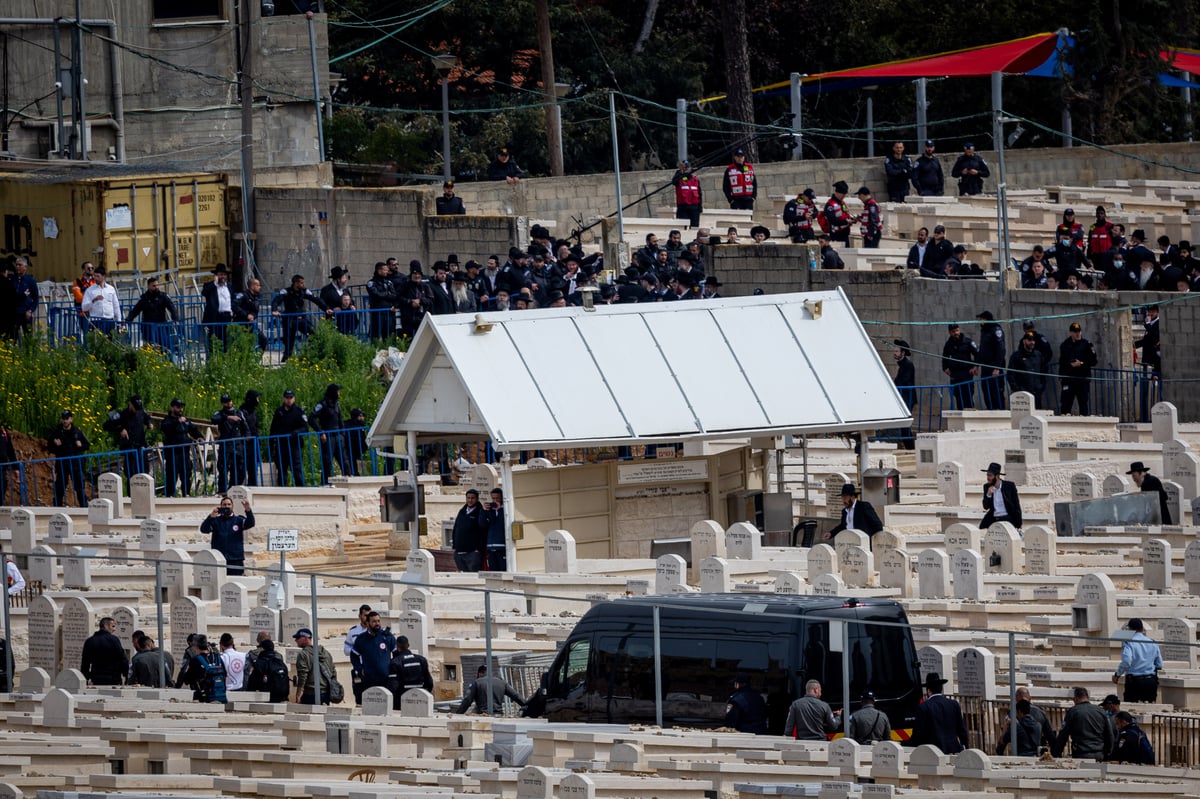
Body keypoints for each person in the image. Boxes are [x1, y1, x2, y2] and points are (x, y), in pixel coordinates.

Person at [271, 274, 332, 361]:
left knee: (313, 333)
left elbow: (316, 299)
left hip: (300, 319)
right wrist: (274, 310)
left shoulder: (304, 291)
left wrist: (326, 308)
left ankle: (310, 354)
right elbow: (276, 300)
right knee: (289, 341)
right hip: (289, 320)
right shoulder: (286, 291)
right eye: (301, 283)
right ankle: (286, 360)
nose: (303, 285)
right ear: (295, 283)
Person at [911, 672, 968, 754]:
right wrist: (964, 747)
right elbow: (962, 730)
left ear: (928, 690)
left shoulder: (923, 707)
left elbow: (918, 733)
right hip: (953, 750)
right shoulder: (954, 704)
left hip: (933, 753)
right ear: (941, 688)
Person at [1052, 686, 1113, 761]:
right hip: (1099, 754)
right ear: (1087, 697)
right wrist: (1108, 753)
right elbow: (1109, 734)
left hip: (1081, 754)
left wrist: (1056, 754)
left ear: (1075, 699)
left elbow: (1063, 735)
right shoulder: (1101, 711)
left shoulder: (1073, 712)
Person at [200, 495, 255, 576]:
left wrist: (248, 510)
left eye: (229, 504)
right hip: (219, 559)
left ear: (232, 506)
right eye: (224, 505)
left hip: (235, 559)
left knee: (235, 583)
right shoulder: (215, 521)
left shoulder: (238, 520)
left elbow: (251, 523)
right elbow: (203, 530)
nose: (227, 506)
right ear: (221, 506)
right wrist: (210, 517)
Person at [160, 398, 204, 497]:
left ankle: (186, 494)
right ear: (172, 408)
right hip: (173, 453)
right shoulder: (167, 421)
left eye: (181, 407)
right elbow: (165, 428)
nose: (180, 409)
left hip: (184, 452)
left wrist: (200, 437)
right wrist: (177, 422)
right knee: (172, 475)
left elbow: (194, 429)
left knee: (186, 474)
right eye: (178, 407)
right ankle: (170, 495)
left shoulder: (185, 420)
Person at [1113, 617, 1163, 703]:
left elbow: (1127, 661)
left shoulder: (1128, 642)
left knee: (1131, 709)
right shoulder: (1152, 642)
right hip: (1150, 681)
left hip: (1134, 681)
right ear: (1142, 628)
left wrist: (1117, 674)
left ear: (1130, 629)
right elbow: (1159, 664)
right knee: (1150, 709)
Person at [351, 610, 396, 701]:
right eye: (374, 621)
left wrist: (392, 669)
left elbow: (397, 654)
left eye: (378, 621)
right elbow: (354, 656)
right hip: (369, 679)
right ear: (367, 623)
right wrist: (360, 669)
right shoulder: (361, 639)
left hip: (386, 679)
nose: (377, 624)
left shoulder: (387, 636)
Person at [995, 686, 1055, 755]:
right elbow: (1051, 737)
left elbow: (1004, 739)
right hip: (1036, 755)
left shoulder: (1013, 714)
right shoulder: (1041, 714)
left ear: (1016, 699)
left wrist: (1000, 751)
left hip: (1020, 754)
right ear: (1030, 698)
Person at [104, 395, 153, 478]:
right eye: (135, 408)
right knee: (131, 474)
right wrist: (120, 430)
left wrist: (149, 424)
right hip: (130, 449)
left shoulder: (141, 411)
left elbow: (147, 418)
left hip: (141, 448)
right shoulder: (122, 414)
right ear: (130, 404)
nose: (136, 410)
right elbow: (106, 425)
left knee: (144, 473)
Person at [125, 277, 178, 352]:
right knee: (150, 347)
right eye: (154, 286)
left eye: (157, 285)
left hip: (161, 326)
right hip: (148, 327)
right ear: (148, 286)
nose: (156, 287)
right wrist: (128, 319)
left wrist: (175, 319)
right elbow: (135, 310)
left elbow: (172, 308)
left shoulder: (163, 296)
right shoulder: (144, 298)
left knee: (164, 346)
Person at [48, 410, 89, 507]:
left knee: (79, 487)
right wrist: (56, 445)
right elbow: (49, 447)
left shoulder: (77, 432)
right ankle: (57, 508)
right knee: (60, 487)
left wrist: (80, 445)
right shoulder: (57, 432)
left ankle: (84, 508)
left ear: (71, 419)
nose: (65, 421)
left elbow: (87, 445)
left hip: (76, 464)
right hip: (62, 463)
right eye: (63, 418)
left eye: (67, 418)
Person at [310, 383, 350, 484]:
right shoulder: (322, 404)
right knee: (327, 463)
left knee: (345, 462)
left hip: (338, 436)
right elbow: (311, 418)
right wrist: (320, 432)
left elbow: (340, 419)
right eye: (338, 391)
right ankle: (325, 485)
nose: (339, 393)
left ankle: (349, 483)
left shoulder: (336, 404)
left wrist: (343, 433)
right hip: (328, 437)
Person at [269, 389, 308, 487]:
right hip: (281, 446)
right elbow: (273, 430)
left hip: (294, 445)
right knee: (281, 471)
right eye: (287, 398)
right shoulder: (279, 412)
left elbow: (305, 428)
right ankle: (282, 491)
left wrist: (297, 432)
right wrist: (271, 446)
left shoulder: (299, 412)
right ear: (283, 399)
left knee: (297, 469)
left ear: (294, 398)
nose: (289, 400)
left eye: (291, 398)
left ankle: (302, 490)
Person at [1059, 322, 1097, 415]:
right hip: (1069, 379)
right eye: (1075, 332)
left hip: (1082, 379)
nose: (1077, 334)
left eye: (1079, 331)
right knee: (1066, 404)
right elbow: (1062, 362)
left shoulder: (1087, 344)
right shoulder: (1065, 345)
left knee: (1083, 404)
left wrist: (1081, 363)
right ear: (1070, 333)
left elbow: (1093, 361)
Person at [456, 664, 526, 715]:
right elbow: (516, 696)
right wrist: (527, 705)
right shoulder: (502, 682)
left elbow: (467, 700)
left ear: (480, 673)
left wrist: (458, 714)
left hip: (483, 716)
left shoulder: (477, 683)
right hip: (498, 715)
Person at [387, 635, 434, 709]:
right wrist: (426, 694)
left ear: (397, 646)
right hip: (420, 697)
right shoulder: (421, 659)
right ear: (408, 645)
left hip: (402, 699)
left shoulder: (395, 662)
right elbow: (429, 681)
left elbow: (393, 685)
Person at [293, 628, 336, 704]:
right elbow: (333, 673)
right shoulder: (326, 653)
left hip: (310, 693)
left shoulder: (303, 655)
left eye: (298, 638)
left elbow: (302, 675)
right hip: (325, 693)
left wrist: (298, 695)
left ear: (305, 638)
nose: (296, 640)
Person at [81, 617, 128, 686]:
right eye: (113, 626)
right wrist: (126, 674)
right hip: (113, 678)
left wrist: (85, 678)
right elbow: (122, 658)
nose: (114, 629)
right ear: (106, 626)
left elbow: (85, 663)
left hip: (96, 678)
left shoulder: (89, 641)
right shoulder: (114, 640)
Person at [181, 634, 227, 703]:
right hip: (221, 696)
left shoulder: (196, 660)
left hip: (204, 698)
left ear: (195, 646)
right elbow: (225, 674)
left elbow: (187, 680)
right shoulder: (217, 657)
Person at [942, 323, 979, 410]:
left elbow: (977, 354)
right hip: (955, 373)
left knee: (968, 394)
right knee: (958, 395)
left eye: (957, 330)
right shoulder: (948, 344)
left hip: (966, 372)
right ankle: (961, 415)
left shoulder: (967, 342)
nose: (956, 333)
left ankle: (970, 415)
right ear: (950, 333)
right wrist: (945, 368)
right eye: (953, 331)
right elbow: (945, 357)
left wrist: (975, 366)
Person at [976, 311, 1006, 410]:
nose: (980, 321)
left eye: (981, 319)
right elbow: (982, 350)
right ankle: (990, 411)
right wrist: (976, 365)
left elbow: (1001, 350)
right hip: (985, 367)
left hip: (994, 367)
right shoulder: (984, 331)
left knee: (996, 391)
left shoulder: (996, 330)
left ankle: (1000, 412)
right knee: (986, 391)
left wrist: (997, 367)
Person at [1007, 332, 1047, 407]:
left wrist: (1041, 387)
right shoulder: (1017, 356)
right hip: (1023, 394)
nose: (1032, 342)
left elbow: (1043, 372)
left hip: (1036, 393)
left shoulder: (1038, 355)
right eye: (1029, 340)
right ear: (1024, 341)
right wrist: (1017, 389)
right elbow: (1010, 374)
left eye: (1033, 340)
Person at [201, 264, 234, 352]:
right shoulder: (210, 286)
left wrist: (232, 310)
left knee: (225, 340)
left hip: (226, 316)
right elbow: (204, 293)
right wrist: (214, 284)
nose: (222, 277)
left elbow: (233, 299)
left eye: (224, 275)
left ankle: (224, 360)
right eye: (220, 275)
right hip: (214, 317)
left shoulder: (229, 286)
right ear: (216, 275)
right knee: (213, 340)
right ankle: (212, 361)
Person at [80, 265, 121, 336]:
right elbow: (84, 307)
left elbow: (116, 306)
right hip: (96, 321)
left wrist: (119, 322)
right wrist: (93, 300)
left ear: (104, 276)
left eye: (98, 276)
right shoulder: (90, 290)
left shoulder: (111, 289)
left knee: (110, 342)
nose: (95, 278)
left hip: (109, 321)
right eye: (94, 276)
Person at [452, 488, 486, 572]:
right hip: (459, 552)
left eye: (472, 498)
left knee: (474, 578)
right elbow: (456, 528)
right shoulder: (462, 511)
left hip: (473, 554)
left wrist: (478, 549)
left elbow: (483, 531)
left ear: (477, 499)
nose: (470, 500)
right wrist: (455, 546)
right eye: (468, 498)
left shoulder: (480, 512)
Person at [980, 462, 1022, 529]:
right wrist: (988, 494)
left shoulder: (1009, 486)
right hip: (994, 518)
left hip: (1007, 518)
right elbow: (985, 507)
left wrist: (1019, 524)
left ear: (996, 476)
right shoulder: (986, 487)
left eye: (990, 475)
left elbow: (1016, 505)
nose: (988, 478)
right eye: (987, 475)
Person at [343, 603, 372, 703]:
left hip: (372, 669)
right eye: (365, 615)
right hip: (358, 668)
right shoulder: (353, 631)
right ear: (360, 616)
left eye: (369, 615)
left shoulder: (375, 631)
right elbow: (346, 650)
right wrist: (357, 651)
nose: (367, 617)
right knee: (359, 693)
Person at [891, 339, 915, 450]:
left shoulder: (907, 365)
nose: (894, 353)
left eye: (896, 351)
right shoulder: (903, 365)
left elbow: (903, 381)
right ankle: (909, 447)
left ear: (903, 353)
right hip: (904, 398)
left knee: (905, 426)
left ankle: (910, 448)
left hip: (907, 399)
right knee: (904, 426)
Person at [366, 261, 398, 341]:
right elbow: (376, 295)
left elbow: (394, 295)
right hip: (377, 313)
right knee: (375, 336)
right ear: (379, 270)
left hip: (388, 313)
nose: (387, 272)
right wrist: (387, 294)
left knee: (389, 336)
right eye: (385, 270)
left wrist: (384, 295)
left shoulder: (388, 282)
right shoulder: (371, 283)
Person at [238, 390, 263, 487]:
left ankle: (253, 487)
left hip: (254, 443)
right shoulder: (242, 411)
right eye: (256, 398)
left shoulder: (254, 411)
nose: (258, 400)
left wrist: (258, 438)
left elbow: (256, 426)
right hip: (244, 443)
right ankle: (237, 487)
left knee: (253, 468)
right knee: (242, 468)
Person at [10, 256, 38, 338]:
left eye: (20, 265)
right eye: (16, 265)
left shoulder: (30, 280)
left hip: (25, 313)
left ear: (25, 267)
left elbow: (35, 298)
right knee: (13, 336)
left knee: (28, 337)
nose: (17, 267)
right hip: (14, 313)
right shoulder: (13, 279)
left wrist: (30, 310)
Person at [482, 487, 507, 571]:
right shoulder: (489, 511)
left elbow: (503, 524)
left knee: (503, 571)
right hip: (490, 547)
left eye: (497, 498)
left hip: (502, 547)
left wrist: (499, 510)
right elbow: (482, 524)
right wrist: (484, 511)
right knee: (493, 572)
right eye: (493, 498)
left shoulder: (506, 510)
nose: (495, 501)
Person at [672, 160, 703, 226]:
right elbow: (674, 181)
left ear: (691, 168)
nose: (686, 169)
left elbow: (699, 194)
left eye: (687, 167)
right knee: (683, 227)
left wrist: (700, 207)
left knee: (694, 227)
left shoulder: (695, 180)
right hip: (683, 208)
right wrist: (680, 171)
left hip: (694, 208)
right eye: (685, 167)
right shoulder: (679, 178)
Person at [1134, 305, 1160, 379]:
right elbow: (1146, 340)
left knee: (1156, 378)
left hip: (1155, 357)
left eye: (1153, 312)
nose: (1150, 314)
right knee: (1149, 379)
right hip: (1148, 356)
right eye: (1149, 312)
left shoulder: (1158, 323)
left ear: (1158, 312)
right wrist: (1134, 345)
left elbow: (1154, 336)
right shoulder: (1150, 324)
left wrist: (1148, 324)